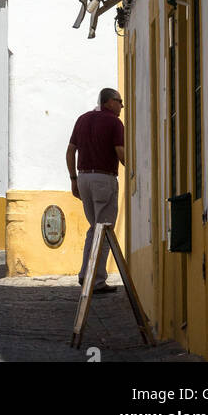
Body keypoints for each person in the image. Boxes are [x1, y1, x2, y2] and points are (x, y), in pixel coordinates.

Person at [66, 87, 125, 294]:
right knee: (105, 230)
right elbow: (120, 151)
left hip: (84, 178)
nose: (121, 106)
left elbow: (71, 150)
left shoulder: (82, 119)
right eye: (119, 101)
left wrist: (73, 179)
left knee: (94, 228)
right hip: (103, 179)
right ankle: (96, 280)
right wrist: (135, 169)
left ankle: (86, 274)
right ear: (109, 102)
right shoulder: (114, 122)